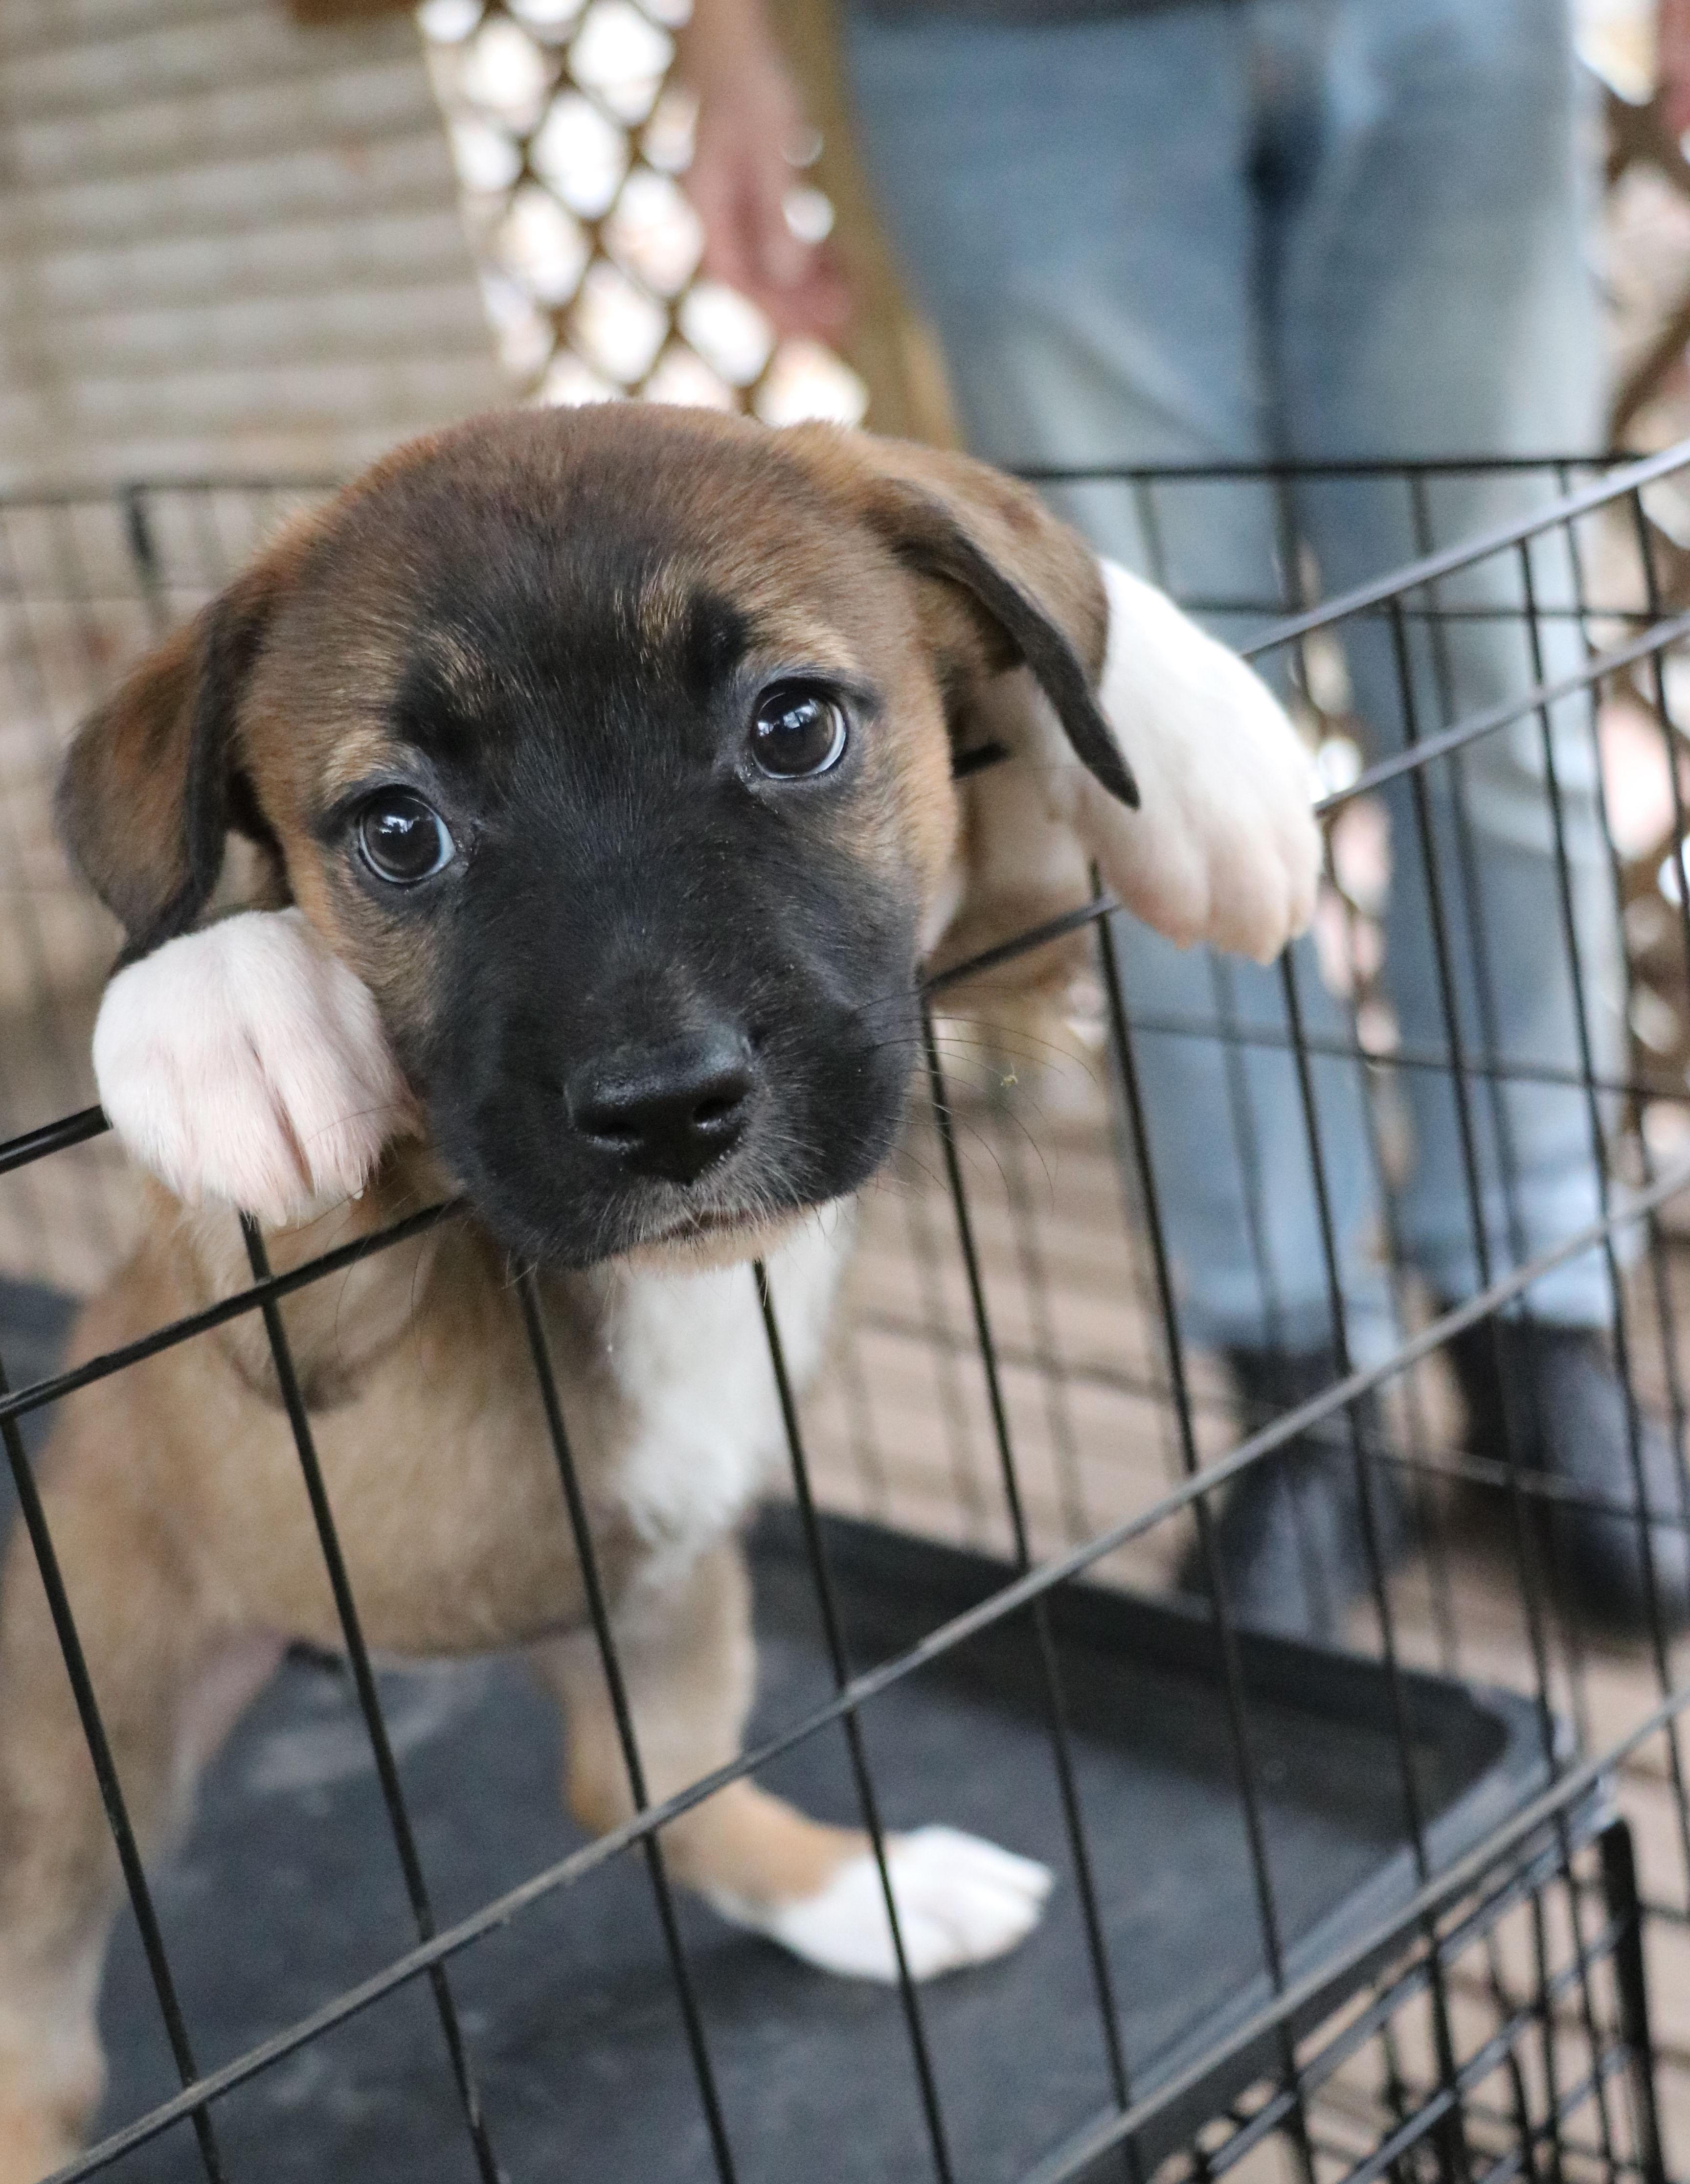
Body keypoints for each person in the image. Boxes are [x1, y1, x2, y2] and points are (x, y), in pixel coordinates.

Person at [675, 0, 1690, 1638]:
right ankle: (1302, 1398)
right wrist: (728, 35)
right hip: (1009, 50)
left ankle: (1542, 1330)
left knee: (1504, 685)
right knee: (1142, 748)